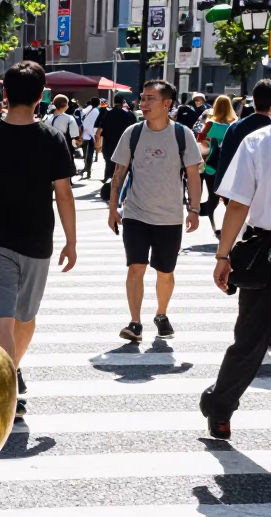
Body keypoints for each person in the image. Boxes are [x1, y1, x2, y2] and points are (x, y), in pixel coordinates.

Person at [0, 61, 78, 419]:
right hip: (37, 239)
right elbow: (64, 194)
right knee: (20, 316)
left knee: (6, 317)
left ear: (5, 94)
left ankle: (7, 377)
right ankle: (8, 384)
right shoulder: (52, 137)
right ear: (41, 97)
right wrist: (72, 240)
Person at [201, 64, 271, 448]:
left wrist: (223, 254)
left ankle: (221, 410)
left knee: (250, 339)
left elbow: (237, 205)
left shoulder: (259, 141)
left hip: (267, 250)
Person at [107, 79, 203, 343]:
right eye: (142, 98)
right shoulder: (133, 133)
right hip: (136, 213)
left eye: (150, 98)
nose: (144, 103)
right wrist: (113, 208)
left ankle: (161, 314)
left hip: (170, 216)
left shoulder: (182, 134)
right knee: (135, 267)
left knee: (165, 271)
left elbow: (193, 175)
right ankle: (135, 323)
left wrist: (194, 209)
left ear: (166, 103)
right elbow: (119, 173)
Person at [215, 79, 271, 349]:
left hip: (255, 221)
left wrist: (224, 254)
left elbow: (226, 171)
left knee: (258, 273)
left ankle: (258, 334)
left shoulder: (242, 131)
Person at [197, 95, 237, 237]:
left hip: (211, 165)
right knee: (229, 199)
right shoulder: (235, 124)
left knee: (213, 197)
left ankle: (215, 227)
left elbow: (200, 138)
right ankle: (229, 226)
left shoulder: (210, 124)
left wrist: (209, 141)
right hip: (229, 167)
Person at [97, 95, 139, 201]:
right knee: (123, 170)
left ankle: (108, 191)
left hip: (108, 146)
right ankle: (121, 193)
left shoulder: (107, 114)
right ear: (122, 102)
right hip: (124, 147)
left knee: (109, 168)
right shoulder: (128, 115)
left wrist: (98, 144)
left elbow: (99, 131)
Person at [42, 94, 80, 159]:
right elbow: (74, 135)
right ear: (64, 105)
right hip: (63, 145)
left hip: (48, 146)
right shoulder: (69, 118)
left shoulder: (47, 117)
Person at [79, 97, 102, 179]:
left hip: (85, 135)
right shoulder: (96, 111)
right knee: (89, 154)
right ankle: (88, 170)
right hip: (91, 135)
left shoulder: (88, 110)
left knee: (86, 154)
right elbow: (93, 124)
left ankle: (87, 168)